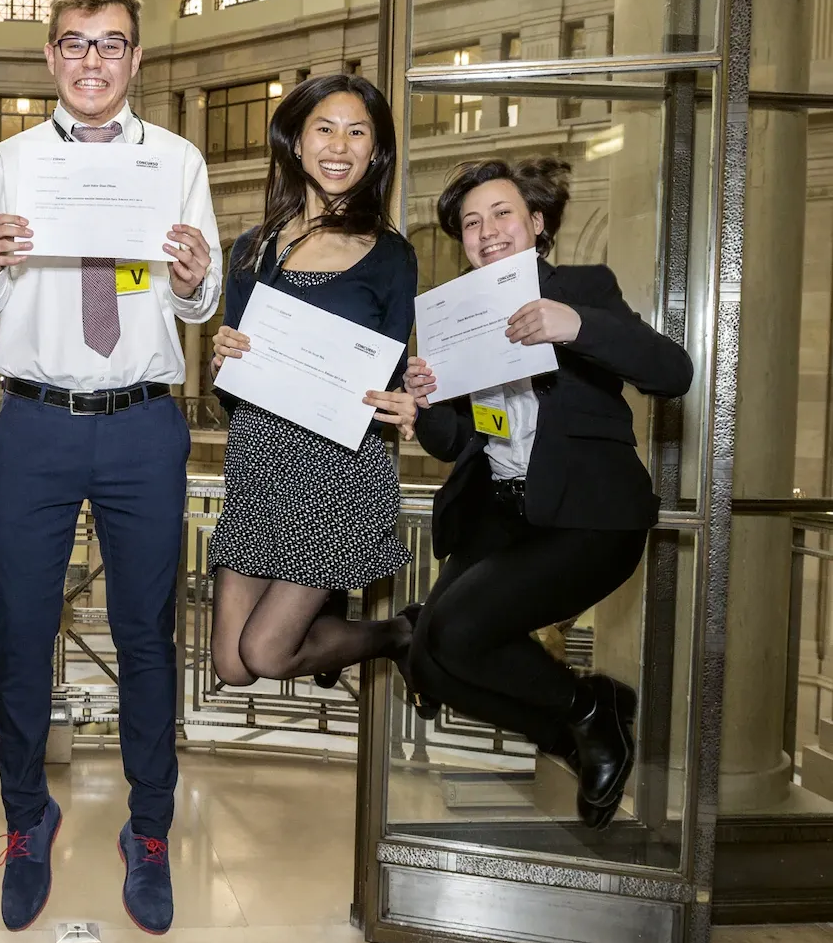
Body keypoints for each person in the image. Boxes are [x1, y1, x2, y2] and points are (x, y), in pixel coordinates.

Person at [0, 0, 220, 937]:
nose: (92, 60)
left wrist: (194, 281)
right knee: (20, 629)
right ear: (50, 58)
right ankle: (27, 818)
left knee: (148, 633)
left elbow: (195, 305)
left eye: (111, 43)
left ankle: (147, 831)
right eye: (74, 42)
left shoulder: (178, 159)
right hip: (31, 421)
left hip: (144, 420)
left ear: (136, 59)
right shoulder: (10, 158)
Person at [403, 157, 693, 830]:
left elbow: (670, 371)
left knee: (457, 630)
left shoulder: (582, 289)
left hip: (589, 518)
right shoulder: (453, 315)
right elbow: (454, 443)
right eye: (471, 224)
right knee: (431, 666)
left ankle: (590, 708)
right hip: (499, 515)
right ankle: (580, 730)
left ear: (534, 224)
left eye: (501, 214)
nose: (486, 231)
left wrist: (575, 326)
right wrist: (425, 404)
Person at [207, 74, 420, 697]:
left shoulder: (389, 254)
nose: (340, 145)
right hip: (259, 461)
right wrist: (225, 360)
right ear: (295, 142)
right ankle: (334, 632)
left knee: (267, 652)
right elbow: (234, 389)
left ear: (374, 153)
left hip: (335, 471)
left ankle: (398, 635)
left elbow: (389, 371)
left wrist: (401, 401)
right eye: (324, 128)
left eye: (359, 132)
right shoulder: (251, 248)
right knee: (230, 663)